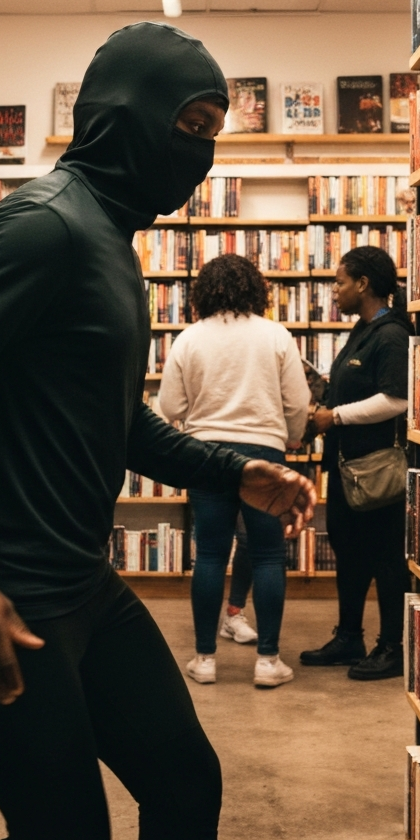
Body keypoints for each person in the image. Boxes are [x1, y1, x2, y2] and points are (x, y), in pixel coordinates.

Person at [0, 22, 317, 840]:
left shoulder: (113, 245)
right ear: (123, 114)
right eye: (190, 126)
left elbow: (117, 424)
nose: (201, 154)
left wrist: (232, 470)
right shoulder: (42, 225)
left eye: (215, 134)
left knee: (186, 780)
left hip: (79, 579)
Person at [159, 254, 311, 687]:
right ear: (255, 289)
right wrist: (292, 435)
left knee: (209, 554)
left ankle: (205, 660)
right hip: (265, 454)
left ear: (203, 291)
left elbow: (169, 408)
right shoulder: (276, 335)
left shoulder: (189, 338)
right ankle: (267, 662)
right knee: (267, 554)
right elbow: (297, 403)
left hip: (205, 455)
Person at [300, 245, 412, 681]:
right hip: (348, 467)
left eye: (340, 282)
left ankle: (392, 646)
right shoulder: (361, 331)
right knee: (350, 553)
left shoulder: (391, 335)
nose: (334, 290)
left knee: (385, 557)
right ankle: (349, 636)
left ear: (363, 284)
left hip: (376, 469)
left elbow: (396, 399)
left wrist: (335, 416)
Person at [221, 356, 327, 643]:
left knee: (259, 541)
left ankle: (234, 613)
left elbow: (314, 390)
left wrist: (300, 432)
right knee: (249, 540)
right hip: (247, 450)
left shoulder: (276, 352)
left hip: (273, 451)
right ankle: (234, 615)